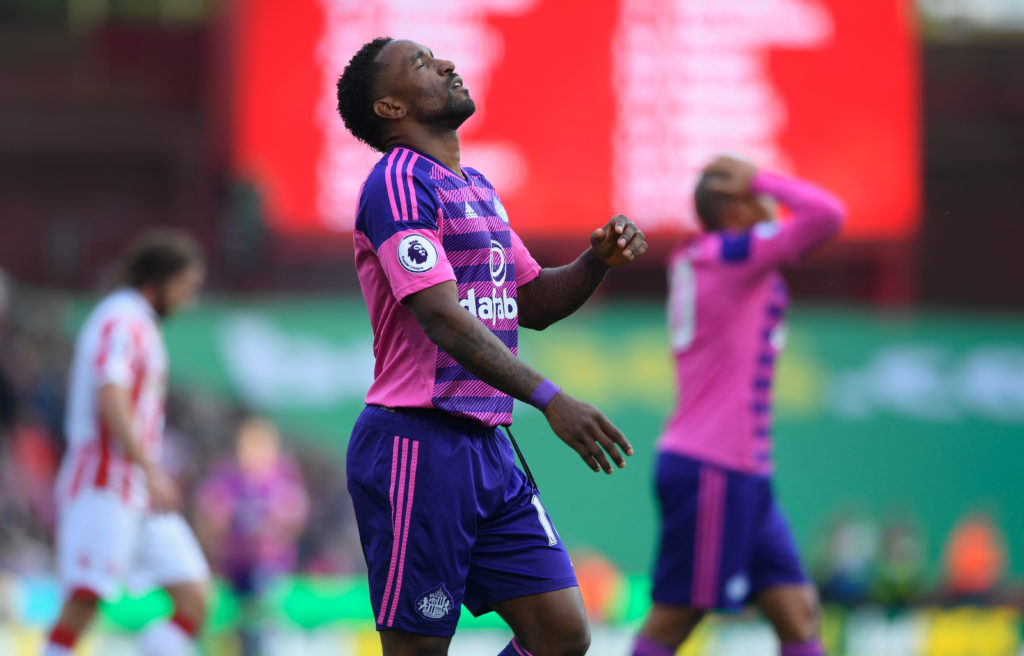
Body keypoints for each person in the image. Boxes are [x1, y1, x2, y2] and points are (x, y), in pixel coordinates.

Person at [336, 37, 648, 656]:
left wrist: (596, 261)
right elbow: (442, 321)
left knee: (560, 636)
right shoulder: (396, 185)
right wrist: (551, 400)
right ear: (392, 107)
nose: (448, 64)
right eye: (422, 64)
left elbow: (532, 302)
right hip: (416, 445)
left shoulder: (475, 187)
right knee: (419, 649)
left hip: (487, 448)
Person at [631, 156, 845, 656]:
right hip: (713, 468)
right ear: (733, 209)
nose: (769, 203)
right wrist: (763, 177)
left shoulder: (712, 257)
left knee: (798, 613)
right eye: (756, 197)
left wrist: (753, 185)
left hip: (744, 472)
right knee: (675, 619)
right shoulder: (729, 257)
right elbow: (827, 216)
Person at [41, 229, 210, 656]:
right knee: (85, 597)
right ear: (158, 280)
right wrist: (152, 468)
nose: (189, 299)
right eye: (185, 287)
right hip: (103, 483)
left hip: (137, 488)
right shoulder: (120, 318)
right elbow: (110, 393)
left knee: (195, 598)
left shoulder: (140, 324)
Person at [195, 415, 310, 656]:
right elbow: (209, 512)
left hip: (269, 570)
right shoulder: (229, 476)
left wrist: (272, 538)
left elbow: (294, 517)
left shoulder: (282, 478)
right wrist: (218, 542)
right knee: (232, 628)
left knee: (261, 626)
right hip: (233, 569)